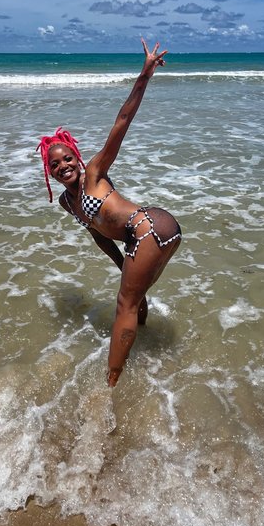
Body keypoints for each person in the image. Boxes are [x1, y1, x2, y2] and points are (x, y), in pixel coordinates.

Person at [37, 39, 181, 387]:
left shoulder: (95, 173)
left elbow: (123, 120)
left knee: (124, 304)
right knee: (133, 297)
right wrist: (120, 264)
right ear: (49, 172)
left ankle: (111, 382)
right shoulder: (67, 202)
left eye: (68, 158)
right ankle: (142, 345)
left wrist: (145, 74)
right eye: (55, 164)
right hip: (145, 236)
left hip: (148, 226)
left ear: (78, 158)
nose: (63, 165)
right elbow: (99, 235)